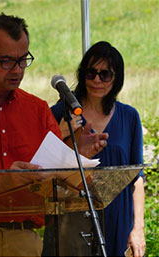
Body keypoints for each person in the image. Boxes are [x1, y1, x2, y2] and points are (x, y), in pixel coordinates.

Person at [0, 13, 108, 256]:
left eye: (23, 60)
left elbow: (57, 184)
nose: (17, 70)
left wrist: (75, 155)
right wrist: (7, 180)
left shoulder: (38, 110)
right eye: (7, 61)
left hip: (25, 240)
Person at [42, 41, 145, 257]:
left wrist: (138, 229)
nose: (97, 80)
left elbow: (137, 178)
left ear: (116, 78)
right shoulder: (60, 112)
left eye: (105, 74)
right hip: (71, 220)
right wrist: (61, 133)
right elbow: (41, 166)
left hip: (118, 219)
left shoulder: (129, 116)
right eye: (91, 73)